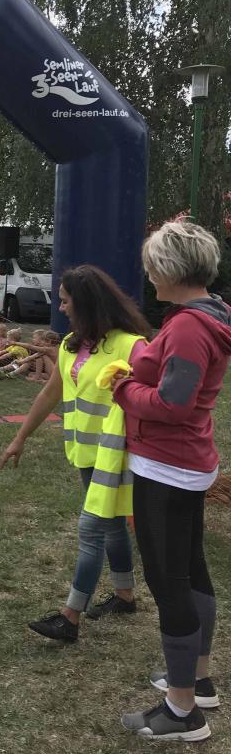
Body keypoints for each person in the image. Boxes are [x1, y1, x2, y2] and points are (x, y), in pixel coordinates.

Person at [114, 222, 231, 742]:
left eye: (152, 266)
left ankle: (182, 710)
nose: (148, 275)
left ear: (169, 268)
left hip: (166, 465)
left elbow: (172, 403)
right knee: (190, 569)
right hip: (184, 462)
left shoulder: (187, 326)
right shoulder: (210, 314)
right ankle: (198, 681)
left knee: (169, 582)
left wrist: (124, 389)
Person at [0, 265, 151, 643]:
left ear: (86, 303)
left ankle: (70, 617)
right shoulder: (71, 345)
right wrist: (20, 437)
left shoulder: (131, 346)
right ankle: (125, 596)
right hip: (85, 453)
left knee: (91, 530)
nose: (61, 308)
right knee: (111, 524)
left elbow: (154, 399)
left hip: (116, 457)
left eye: (66, 301)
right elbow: (50, 394)